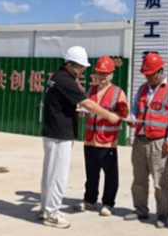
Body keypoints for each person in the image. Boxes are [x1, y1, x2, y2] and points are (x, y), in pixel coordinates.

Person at [39, 46, 121, 229]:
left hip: (52, 132)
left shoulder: (56, 76)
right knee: (58, 176)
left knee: (49, 174)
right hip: (60, 135)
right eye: (81, 67)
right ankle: (52, 214)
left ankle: (45, 208)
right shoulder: (66, 81)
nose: (83, 71)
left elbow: (68, 104)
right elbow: (87, 103)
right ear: (72, 65)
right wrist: (109, 115)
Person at [124, 52, 168, 229]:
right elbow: (135, 108)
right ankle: (140, 210)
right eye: (146, 74)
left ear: (160, 71)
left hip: (159, 142)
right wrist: (132, 118)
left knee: (160, 182)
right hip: (140, 140)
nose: (148, 77)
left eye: (151, 74)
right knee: (139, 180)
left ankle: (163, 214)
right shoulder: (142, 89)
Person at [74, 56, 129, 217]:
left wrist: (114, 115)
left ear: (111, 74)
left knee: (110, 175)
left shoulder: (118, 93)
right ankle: (90, 200)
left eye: (105, 74)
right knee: (91, 173)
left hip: (107, 141)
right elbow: (85, 110)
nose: (102, 77)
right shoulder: (90, 90)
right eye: (100, 73)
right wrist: (82, 112)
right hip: (90, 139)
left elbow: (124, 114)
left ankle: (108, 203)